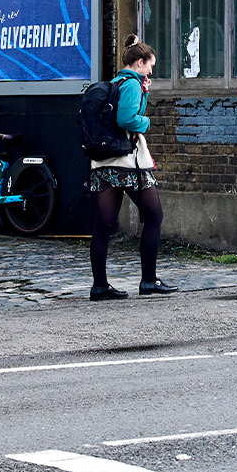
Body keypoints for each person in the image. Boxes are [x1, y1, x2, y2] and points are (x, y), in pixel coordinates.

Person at [88, 35, 176, 300]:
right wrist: (146, 122)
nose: (151, 71)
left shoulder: (115, 83)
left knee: (103, 224)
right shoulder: (132, 84)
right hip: (128, 164)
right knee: (154, 216)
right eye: (150, 65)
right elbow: (127, 119)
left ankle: (100, 286)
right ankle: (149, 280)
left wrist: (144, 94)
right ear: (139, 62)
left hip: (104, 162)